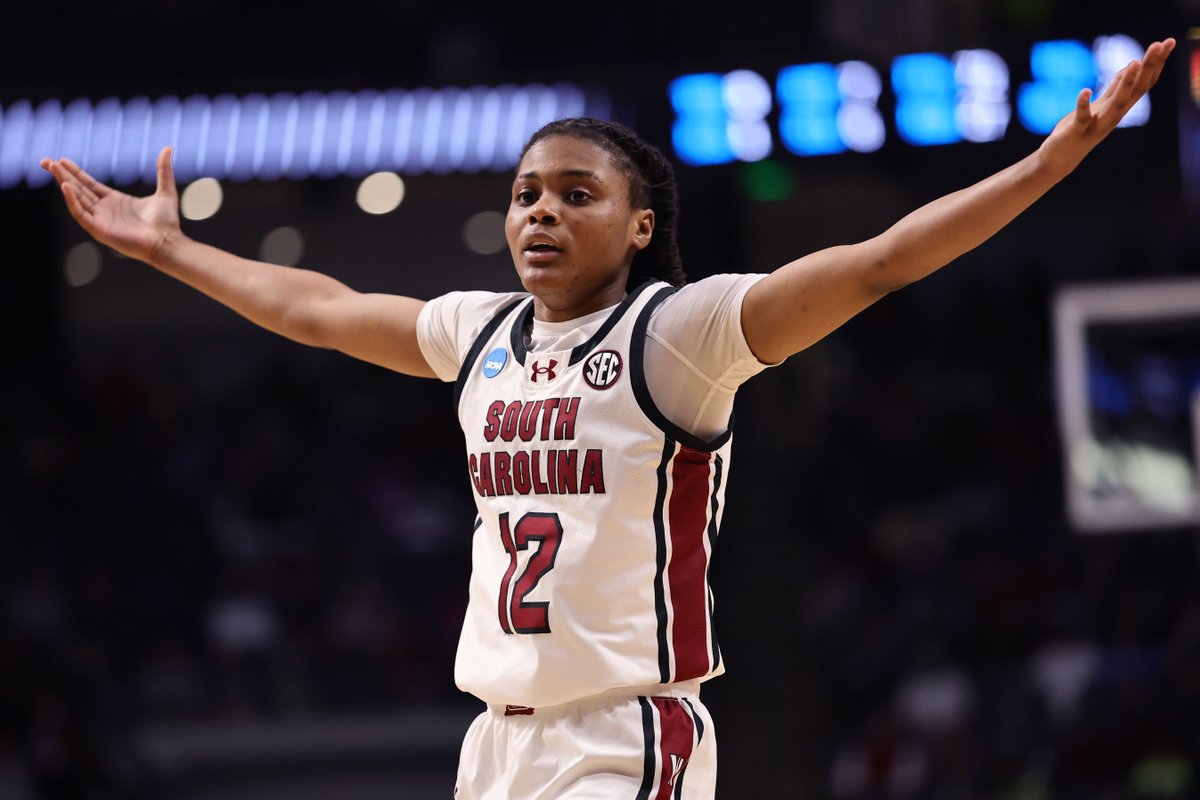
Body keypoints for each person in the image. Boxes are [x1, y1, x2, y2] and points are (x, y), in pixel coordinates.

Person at [40, 37, 1174, 799]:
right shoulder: (480, 331)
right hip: (496, 738)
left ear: (639, 225)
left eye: (576, 194)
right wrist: (172, 250)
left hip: (622, 731)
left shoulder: (678, 332)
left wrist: (1043, 165)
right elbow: (319, 309)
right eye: (526, 194)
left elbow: (878, 262)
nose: (540, 212)